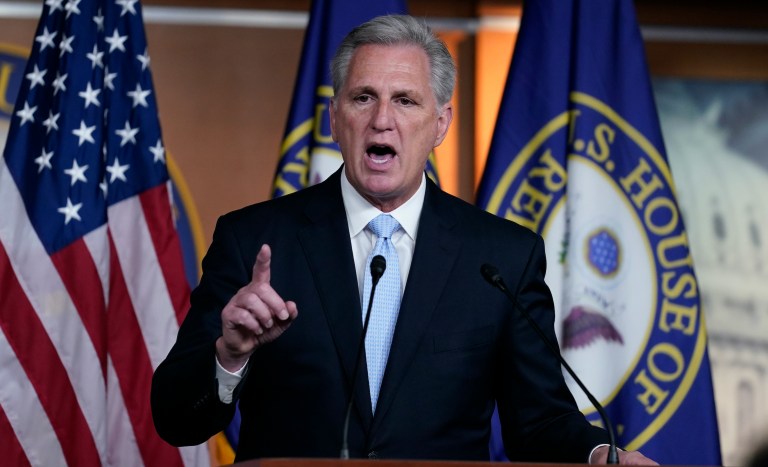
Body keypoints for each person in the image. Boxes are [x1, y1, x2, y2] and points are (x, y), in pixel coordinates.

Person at [151, 14, 656, 465]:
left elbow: (539, 422)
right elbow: (175, 419)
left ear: (440, 124)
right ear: (335, 117)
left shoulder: (502, 257)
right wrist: (229, 355)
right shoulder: (254, 240)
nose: (382, 119)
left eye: (406, 100)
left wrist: (599, 456)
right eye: (363, 97)